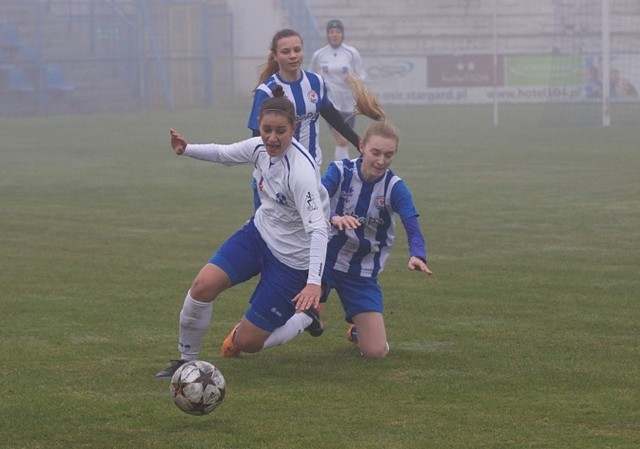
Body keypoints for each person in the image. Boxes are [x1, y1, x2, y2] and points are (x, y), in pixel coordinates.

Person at [156, 86, 329, 378]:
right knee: (202, 286)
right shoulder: (259, 148)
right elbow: (225, 153)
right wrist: (187, 149)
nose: (272, 138)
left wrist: (313, 283)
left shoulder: (300, 173)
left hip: (292, 262)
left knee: (247, 343)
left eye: (280, 131)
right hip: (258, 237)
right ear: (259, 125)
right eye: (266, 130)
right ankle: (187, 364)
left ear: (293, 129)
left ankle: (305, 317)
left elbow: (319, 229)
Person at [320, 80, 432, 359]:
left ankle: (358, 331)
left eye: (389, 155)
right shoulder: (339, 171)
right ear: (362, 147)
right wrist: (334, 218)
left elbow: (412, 224)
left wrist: (417, 254)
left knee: (376, 353)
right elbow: (314, 205)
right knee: (302, 318)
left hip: (362, 271)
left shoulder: (395, 188)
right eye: (375, 152)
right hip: (324, 260)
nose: (381, 160)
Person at [247, 28, 361, 168]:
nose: (293, 55)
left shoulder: (316, 82)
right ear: (275, 56)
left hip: (311, 163)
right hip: (279, 167)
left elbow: (332, 116)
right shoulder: (266, 91)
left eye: (297, 50)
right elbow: (257, 136)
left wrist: (358, 142)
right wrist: (264, 169)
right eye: (286, 52)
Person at [310, 19, 366, 162]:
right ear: (328, 35)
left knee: (344, 141)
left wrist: (354, 80)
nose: (334, 35)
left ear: (342, 34)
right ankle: (342, 174)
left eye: (338, 32)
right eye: (331, 32)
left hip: (349, 102)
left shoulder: (352, 53)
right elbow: (311, 76)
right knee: (342, 139)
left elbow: (362, 75)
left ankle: (341, 173)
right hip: (330, 103)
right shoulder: (319, 54)